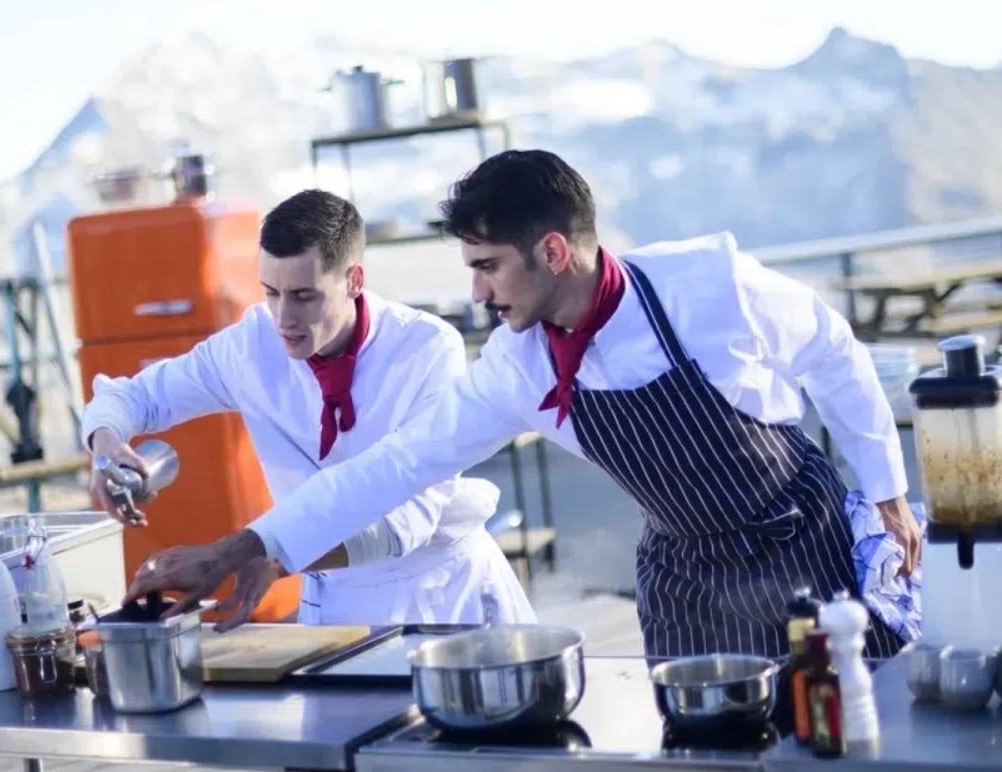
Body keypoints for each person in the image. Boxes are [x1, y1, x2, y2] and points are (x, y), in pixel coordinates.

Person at [122, 150, 920, 659]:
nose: (476, 292)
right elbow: (393, 467)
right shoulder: (516, 368)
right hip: (687, 581)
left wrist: (886, 488)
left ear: (553, 251)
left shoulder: (707, 286)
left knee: (847, 732)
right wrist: (250, 547)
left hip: (797, 542)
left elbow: (832, 351)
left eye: (488, 266)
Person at [82, 188, 534, 629]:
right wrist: (106, 444)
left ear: (354, 280)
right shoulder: (249, 347)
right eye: (271, 293)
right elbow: (134, 397)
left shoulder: (426, 348)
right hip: (332, 601)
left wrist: (266, 555)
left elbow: (405, 522)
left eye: (304, 296)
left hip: (440, 599)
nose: (283, 318)